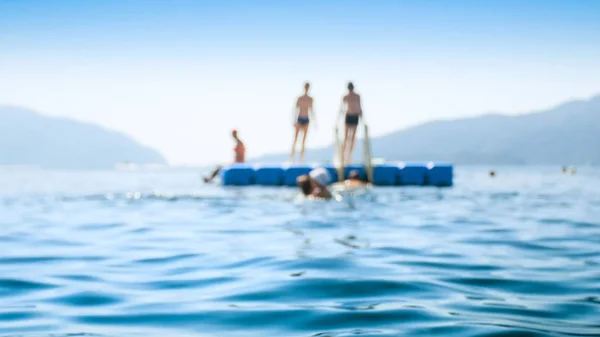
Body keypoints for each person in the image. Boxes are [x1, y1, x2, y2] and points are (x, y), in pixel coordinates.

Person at [338, 82, 363, 165]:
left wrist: (362, 118)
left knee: (352, 138)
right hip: (349, 116)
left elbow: (360, 107)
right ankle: (343, 156)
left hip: (355, 116)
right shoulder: (346, 96)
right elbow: (342, 108)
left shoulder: (357, 96)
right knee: (346, 138)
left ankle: (349, 156)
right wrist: (338, 119)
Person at [290, 82, 315, 162]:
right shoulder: (300, 98)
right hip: (299, 118)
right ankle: (291, 158)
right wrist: (294, 120)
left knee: (304, 140)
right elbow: (295, 109)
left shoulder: (310, 99)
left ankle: (301, 159)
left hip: (306, 119)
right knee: (295, 139)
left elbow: (312, 111)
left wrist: (314, 121)